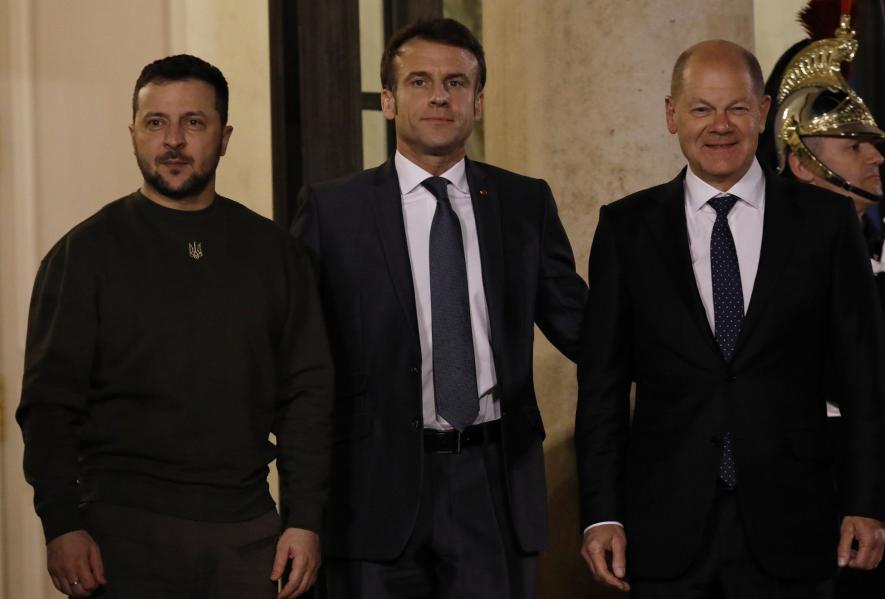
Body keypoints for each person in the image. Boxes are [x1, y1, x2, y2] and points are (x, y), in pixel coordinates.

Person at [575, 39, 885, 598]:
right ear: (672, 115)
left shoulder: (825, 224)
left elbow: (863, 375)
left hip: (797, 527)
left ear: (764, 113)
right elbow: (601, 387)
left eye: (737, 109)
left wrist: (867, 502)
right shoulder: (626, 229)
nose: (719, 126)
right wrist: (602, 514)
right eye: (701, 109)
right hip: (664, 531)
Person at [16, 54, 333, 599]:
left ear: (225, 136)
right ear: (133, 133)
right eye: (155, 122)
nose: (173, 141)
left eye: (194, 122)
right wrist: (61, 522)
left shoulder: (276, 254)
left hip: (248, 530)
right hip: (119, 532)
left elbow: (307, 394)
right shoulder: (83, 254)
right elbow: (48, 404)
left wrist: (304, 518)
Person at [292, 17, 587, 599]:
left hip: (492, 481)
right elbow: (299, 353)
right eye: (420, 81)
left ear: (477, 103)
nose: (438, 97)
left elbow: (587, 329)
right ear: (388, 100)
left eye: (456, 84)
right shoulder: (333, 210)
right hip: (373, 487)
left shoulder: (524, 203)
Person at [761, 13, 885, 599]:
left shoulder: (871, 246)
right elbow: (843, 367)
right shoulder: (782, 258)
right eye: (854, 147)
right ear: (802, 163)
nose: (876, 160)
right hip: (839, 494)